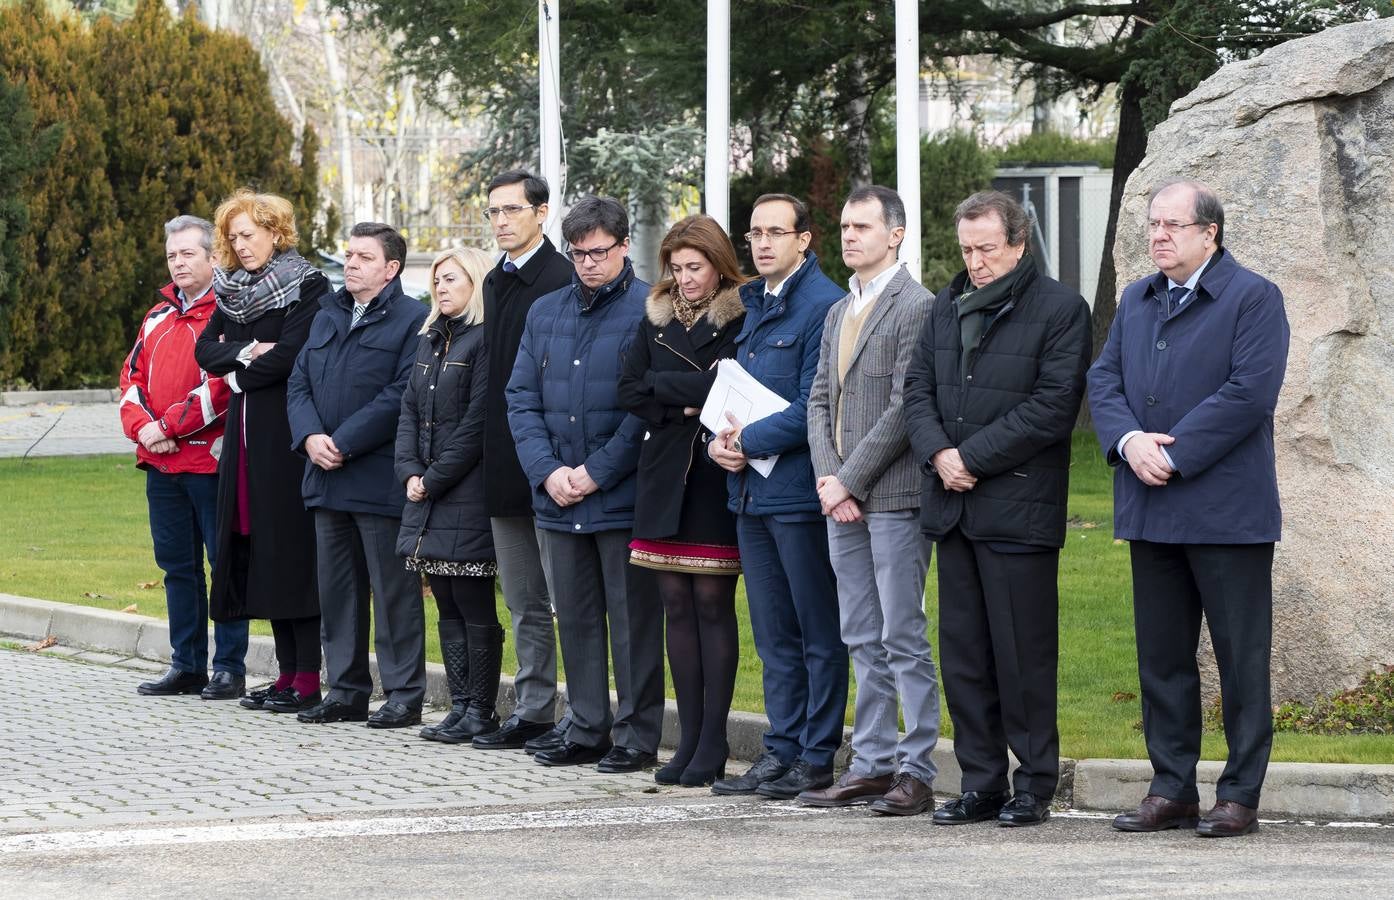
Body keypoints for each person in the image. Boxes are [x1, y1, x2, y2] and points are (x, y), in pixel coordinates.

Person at [1088, 179, 1289, 838]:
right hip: (1151, 509)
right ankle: (1171, 788)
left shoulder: (1253, 298)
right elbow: (1104, 379)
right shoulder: (1138, 300)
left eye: (1174, 225)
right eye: (1154, 224)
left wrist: (1173, 454)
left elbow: (1249, 393)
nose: (1159, 236)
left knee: (1239, 658)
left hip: (1226, 514)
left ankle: (1239, 794)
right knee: (1163, 660)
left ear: (1210, 233)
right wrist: (1128, 441)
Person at [903, 190, 1091, 828]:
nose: (975, 261)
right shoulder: (946, 305)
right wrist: (938, 454)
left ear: (1019, 243)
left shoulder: (1061, 308)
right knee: (965, 658)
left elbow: (1053, 405)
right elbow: (918, 389)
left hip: (1018, 510)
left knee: (1022, 656)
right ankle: (981, 782)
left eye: (986, 249)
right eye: (966, 248)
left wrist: (970, 457)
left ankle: (1034, 784)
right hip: (953, 509)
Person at [506, 196, 665, 772]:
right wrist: (548, 471)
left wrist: (596, 472)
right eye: (578, 254)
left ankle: (637, 736)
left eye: (599, 252)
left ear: (623, 246)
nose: (589, 264)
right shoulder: (545, 311)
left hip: (619, 498)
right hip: (556, 495)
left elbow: (647, 408)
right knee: (572, 617)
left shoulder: (652, 309)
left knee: (632, 623)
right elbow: (519, 397)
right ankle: (587, 726)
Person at [801, 186, 939, 815]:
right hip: (844, 499)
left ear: (896, 234)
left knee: (902, 633)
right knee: (860, 633)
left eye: (862, 226)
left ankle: (916, 767)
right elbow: (819, 402)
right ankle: (872, 762)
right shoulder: (839, 309)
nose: (849, 236)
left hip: (896, 495)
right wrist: (833, 483)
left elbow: (906, 407)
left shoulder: (918, 306)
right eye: (845, 226)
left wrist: (848, 480)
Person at [707, 194, 848, 800]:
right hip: (749, 493)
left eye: (775, 233)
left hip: (796, 492)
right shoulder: (754, 303)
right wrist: (719, 439)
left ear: (804, 239)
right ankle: (780, 750)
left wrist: (749, 438)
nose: (762, 244)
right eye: (754, 234)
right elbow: (736, 389)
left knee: (817, 630)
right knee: (773, 635)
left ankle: (816, 756)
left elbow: (818, 401)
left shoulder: (824, 305)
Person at [617, 214, 747, 787]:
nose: (685, 277)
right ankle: (688, 737)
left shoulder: (742, 313)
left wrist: (671, 393)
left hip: (715, 473)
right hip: (664, 470)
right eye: (676, 266)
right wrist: (687, 400)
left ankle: (713, 742)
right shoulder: (655, 315)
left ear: (718, 264)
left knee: (713, 603)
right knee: (674, 602)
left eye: (695, 267)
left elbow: (733, 386)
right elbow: (628, 388)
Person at [287, 222, 429, 729]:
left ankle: (404, 694)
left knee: (393, 595)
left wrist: (341, 442)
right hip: (325, 478)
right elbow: (299, 381)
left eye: (364, 258)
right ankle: (345, 690)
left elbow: (399, 396)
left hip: (377, 478)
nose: (350, 264)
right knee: (338, 592)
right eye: (348, 255)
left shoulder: (413, 319)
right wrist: (308, 438)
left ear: (391, 269)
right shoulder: (328, 315)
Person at [195, 190, 328, 714]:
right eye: (232, 237)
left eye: (249, 234)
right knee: (260, 550)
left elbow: (291, 357)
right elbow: (206, 351)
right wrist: (246, 354)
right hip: (244, 445)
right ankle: (285, 673)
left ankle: (308, 677)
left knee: (291, 552)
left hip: (286, 437)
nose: (240, 245)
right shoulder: (230, 290)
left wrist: (238, 363)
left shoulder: (306, 285)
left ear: (276, 231)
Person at [471, 170, 577, 754]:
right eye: (493, 212)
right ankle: (534, 708)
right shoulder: (494, 281)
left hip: (553, 466)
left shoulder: (561, 278)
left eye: (512, 210)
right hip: (503, 461)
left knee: (570, 600)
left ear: (541, 213)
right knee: (523, 600)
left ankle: (583, 712)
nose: (501, 221)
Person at [123, 215, 247, 699]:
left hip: (210, 465)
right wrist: (146, 431)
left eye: (188, 254)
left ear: (213, 258)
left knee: (224, 565)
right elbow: (129, 380)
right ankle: (187, 664)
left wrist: (168, 427)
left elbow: (220, 385)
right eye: (172, 255)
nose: (178, 263)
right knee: (177, 567)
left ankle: (229, 668)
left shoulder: (230, 314)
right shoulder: (157, 316)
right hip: (161, 466)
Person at [395, 247, 501, 744]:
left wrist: (432, 478)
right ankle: (460, 707)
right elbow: (409, 413)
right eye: (437, 280)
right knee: (446, 601)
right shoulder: (430, 338)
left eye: (451, 279)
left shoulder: (484, 340)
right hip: (428, 492)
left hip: (467, 491)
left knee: (472, 598)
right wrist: (409, 471)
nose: (440, 288)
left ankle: (482, 709)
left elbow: (478, 422)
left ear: (474, 283)